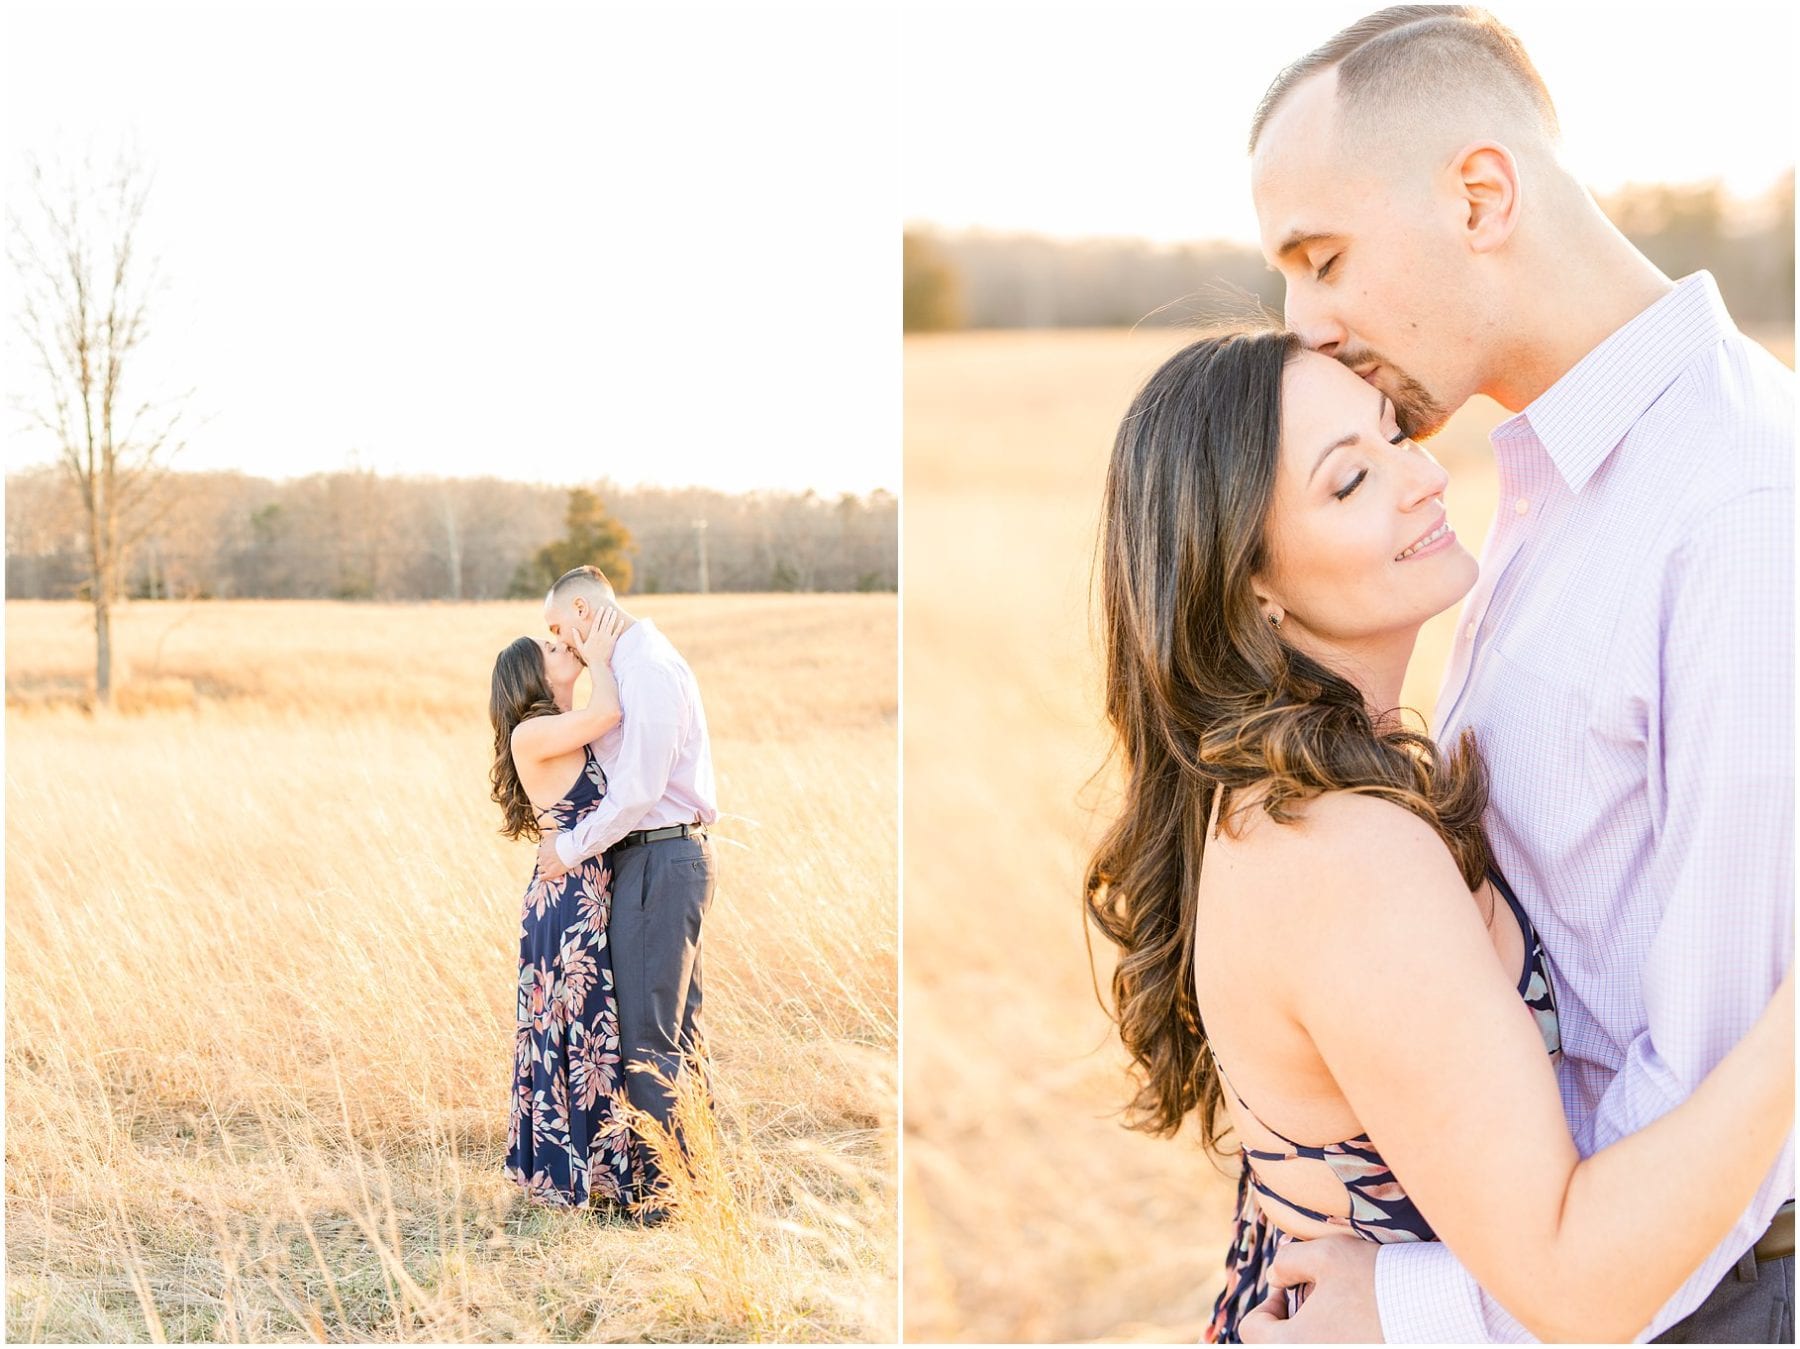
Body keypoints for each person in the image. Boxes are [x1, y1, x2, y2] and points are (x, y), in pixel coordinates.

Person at [1243, 5, 1794, 1340]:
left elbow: (1728, 1088)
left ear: (1481, 194)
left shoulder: (1738, 506)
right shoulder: (1551, 479)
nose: (1303, 326)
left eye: (1322, 259)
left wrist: (1423, 1304)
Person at [1084, 325, 1793, 1346]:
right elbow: (1572, 1283)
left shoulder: (1297, 794)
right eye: (1348, 482)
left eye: (1394, 434)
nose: (1421, 476)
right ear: (1252, 584)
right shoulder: (1338, 849)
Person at [535, 565, 719, 1221]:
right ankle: (694, 1182)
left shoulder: (646, 668)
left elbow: (638, 790)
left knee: (649, 1037)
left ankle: (672, 1198)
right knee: (675, 1034)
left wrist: (569, 846)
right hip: (657, 858)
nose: (561, 640)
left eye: (560, 627)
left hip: (659, 857)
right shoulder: (631, 664)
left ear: (584, 611)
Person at [488, 607, 646, 1210]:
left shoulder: (563, 724)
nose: (564, 647)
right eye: (550, 649)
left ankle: (599, 1171)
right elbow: (609, 713)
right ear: (533, 674)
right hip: (570, 894)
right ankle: (576, 1178)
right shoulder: (532, 732)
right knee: (579, 1028)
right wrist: (603, 655)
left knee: (590, 1026)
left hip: (586, 882)